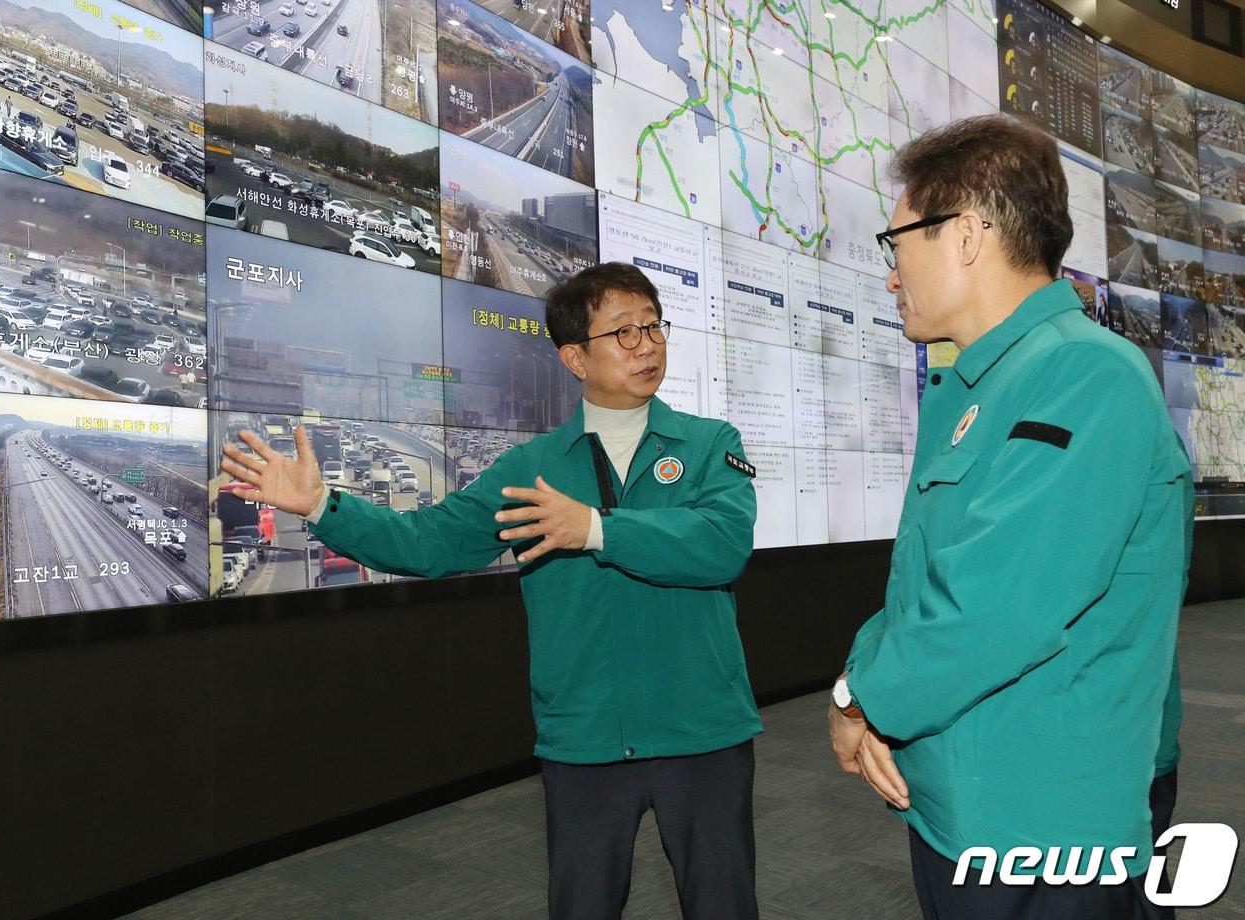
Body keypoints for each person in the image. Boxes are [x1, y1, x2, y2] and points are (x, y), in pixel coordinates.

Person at [221, 262, 764, 920]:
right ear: (573, 357)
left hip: (703, 733)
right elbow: (428, 543)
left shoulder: (710, 444)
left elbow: (721, 545)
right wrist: (324, 506)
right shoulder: (530, 469)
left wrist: (593, 528)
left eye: (653, 325)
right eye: (623, 331)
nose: (646, 343)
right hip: (585, 741)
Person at [826, 115, 1193, 919]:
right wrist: (867, 680)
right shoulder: (970, 386)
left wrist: (860, 699)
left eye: (898, 245)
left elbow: (996, 608)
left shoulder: (1084, 377)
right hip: (959, 800)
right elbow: (923, 578)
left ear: (965, 235)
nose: (891, 274)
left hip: (1042, 827)